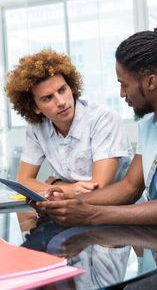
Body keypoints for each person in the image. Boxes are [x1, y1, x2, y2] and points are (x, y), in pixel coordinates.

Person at [36, 28, 157, 290]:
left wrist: (91, 213)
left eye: (123, 84)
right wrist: (70, 202)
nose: (121, 94)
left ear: (150, 82)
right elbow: (129, 187)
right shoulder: (150, 124)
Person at [5, 49, 132, 195]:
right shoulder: (37, 128)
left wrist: (56, 183)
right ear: (34, 107)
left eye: (62, 90)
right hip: (72, 209)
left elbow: (98, 189)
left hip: (117, 208)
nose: (61, 102)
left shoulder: (103, 118)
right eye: (47, 98)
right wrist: (68, 188)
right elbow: (23, 182)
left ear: (71, 86)